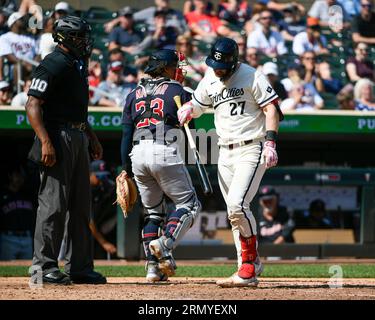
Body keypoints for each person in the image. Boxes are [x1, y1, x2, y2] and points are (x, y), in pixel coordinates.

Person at [178, 37, 283, 287]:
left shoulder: (252, 75)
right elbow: (200, 104)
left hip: (252, 146)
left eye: (222, 65)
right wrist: (189, 109)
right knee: (236, 212)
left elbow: (272, 109)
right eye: (214, 64)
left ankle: (249, 264)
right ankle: (247, 265)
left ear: (234, 62)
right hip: (224, 151)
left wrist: (270, 143)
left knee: (237, 206)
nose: (217, 69)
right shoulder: (210, 77)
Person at [25, 15, 106, 285]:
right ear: (66, 38)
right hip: (57, 136)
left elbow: (77, 109)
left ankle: (80, 267)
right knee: (53, 205)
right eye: (80, 37)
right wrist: (46, 141)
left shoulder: (75, 63)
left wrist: (91, 137)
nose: (86, 41)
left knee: (81, 206)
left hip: (78, 133)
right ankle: (44, 267)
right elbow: (32, 104)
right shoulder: (53, 62)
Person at [121, 49, 201, 282]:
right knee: (189, 204)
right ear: (165, 67)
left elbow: (126, 134)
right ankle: (164, 244)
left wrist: (125, 167)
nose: (179, 68)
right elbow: (192, 130)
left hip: (137, 153)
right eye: (175, 64)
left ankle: (152, 269)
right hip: (164, 149)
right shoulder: (178, 91)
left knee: (154, 213)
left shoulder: (133, 93)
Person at [0, 165, 36, 260]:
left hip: (27, 238)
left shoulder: (28, 195)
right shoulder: (2, 195)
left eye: (22, 176)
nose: (20, 178)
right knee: (5, 269)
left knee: (27, 268)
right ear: (10, 176)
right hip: (8, 238)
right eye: (17, 175)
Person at [89, 160, 117, 259]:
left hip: (99, 223)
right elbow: (89, 221)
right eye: (98, 176)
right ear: (90, 174)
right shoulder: (83, 188)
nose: (101, 179)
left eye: (104, 176)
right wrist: (104, 243)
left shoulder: (105, 185)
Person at [0, 11, 38, 82]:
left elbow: (36, 54)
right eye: (21, 19)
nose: (24, 21)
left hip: (32, 65)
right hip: (16, 67)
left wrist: (33, 65)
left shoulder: (30, 37)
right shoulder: (5, 37)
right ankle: (17, 91)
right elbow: (9, 56)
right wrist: (25, 64)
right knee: (18, 67)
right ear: (13, 22)